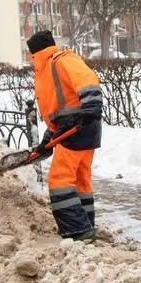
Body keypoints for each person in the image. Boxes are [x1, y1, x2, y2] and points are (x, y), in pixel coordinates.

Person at [26, 30, 103, 241]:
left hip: (80, 125)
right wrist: (48, 137)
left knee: (59, 179)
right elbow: (58, 108)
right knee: (79, 179)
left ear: (36, 52)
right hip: (77, 126)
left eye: (31, 53)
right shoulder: (45, 71)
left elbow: (87, 79)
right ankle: (86, 226)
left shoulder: (61, 61)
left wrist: (91, 106)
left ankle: (77, 230)